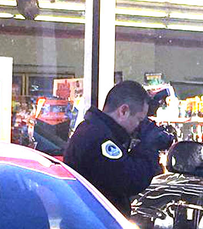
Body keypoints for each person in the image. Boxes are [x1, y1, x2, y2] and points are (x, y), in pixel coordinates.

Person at [64, 80, 168, 217]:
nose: (139, 126)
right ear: (123, 111)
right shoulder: (100, 139)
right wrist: (149, 147)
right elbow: (131, 180)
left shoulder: (94, 130)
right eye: (139, 119)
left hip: (91, 225)